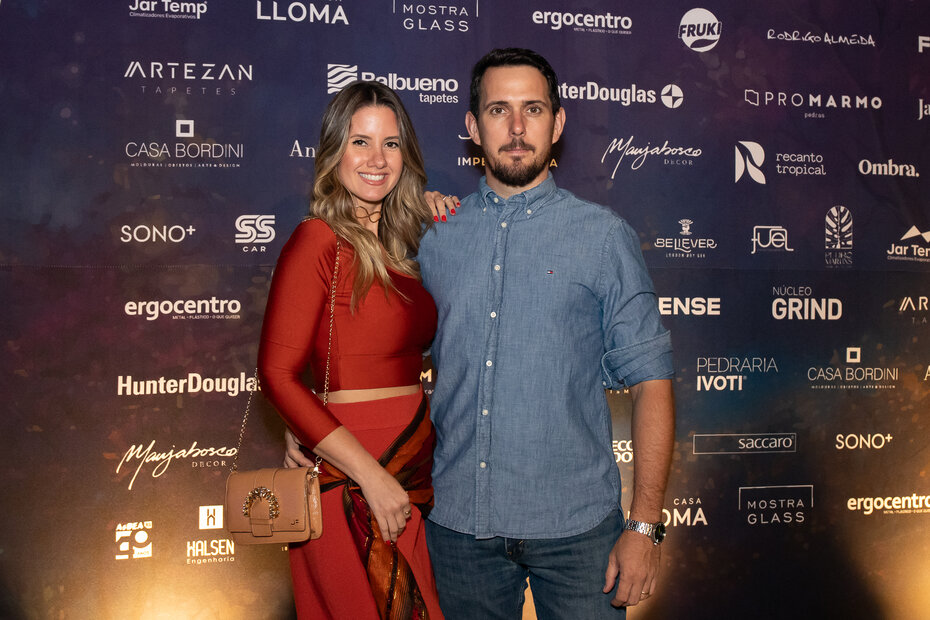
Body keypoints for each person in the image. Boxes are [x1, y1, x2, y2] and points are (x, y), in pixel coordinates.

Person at [416, 48, 676, 618]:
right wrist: (311, 429)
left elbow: (651, 382)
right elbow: (376, 353)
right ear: (473, 127)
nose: (516, 128)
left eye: (532, 109)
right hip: (459, 529)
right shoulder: (432, 236)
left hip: (579, 532)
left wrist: (645, 526)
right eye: (498, 110)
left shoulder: (602, 236)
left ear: (557, 124)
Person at [258, 80, 444, 619]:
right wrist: (370, 476)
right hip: (354, 479)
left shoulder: (406, 247)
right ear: (334, 151)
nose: (377, 159)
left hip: (412, 470)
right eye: (360, 142)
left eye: (391, 143)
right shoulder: (317, 240)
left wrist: (443, 211)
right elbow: (276, 374)